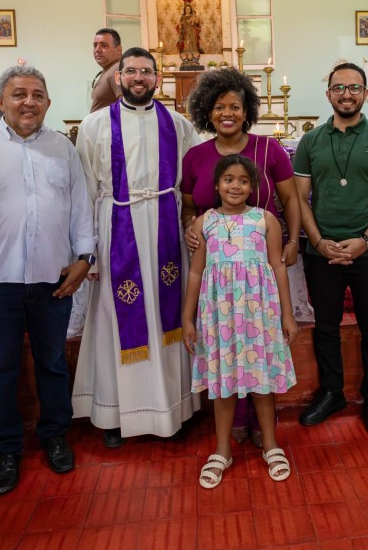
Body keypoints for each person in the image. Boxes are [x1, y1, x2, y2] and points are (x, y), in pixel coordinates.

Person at [0, 65, 96, 493]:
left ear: (48, 103)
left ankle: (54, 435)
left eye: (37, 95)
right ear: (0, 101)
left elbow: (80, 205)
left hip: (53, 276)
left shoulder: (63, 147)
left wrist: (84, 257)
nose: (29, 102)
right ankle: (6, 448)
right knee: (0, 367)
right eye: (19, 94)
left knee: (52, 363)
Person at [72, 47, 201, 447]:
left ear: (157, 78)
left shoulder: (178, 124)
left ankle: (172, 409)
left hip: (165, 230)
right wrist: (88, 253)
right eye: (131, 71)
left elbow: (192, 182)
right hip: (116, 229)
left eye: (146, 72)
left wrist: (192, 223)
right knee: (114, 319)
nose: (139, 78)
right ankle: (114, 413)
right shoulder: (94, 125)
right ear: (118, 78)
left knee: (167, 319)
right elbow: (84, 191)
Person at [180, 66, 300, 446]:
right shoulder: (195, 156)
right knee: (228, 343)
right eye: (219, 107)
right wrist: (190, 227)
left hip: (260, 264)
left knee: (257, 341)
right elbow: (188, 205)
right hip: (216, 266)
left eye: (234, 106)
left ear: (246, 110)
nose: (227, 113)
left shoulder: (269, 149)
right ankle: (235, 418)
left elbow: (290, 198)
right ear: (207, 111)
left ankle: (260, 421)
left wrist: (293, 240)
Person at [293, 62, 368, 435]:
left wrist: (367, 240)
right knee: (325, 326)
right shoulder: (310, 141)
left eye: (354, 88)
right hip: (322, 253)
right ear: (329, 94)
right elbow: (299, 199)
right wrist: (318, 241)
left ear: (365, 94)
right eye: (339, 88)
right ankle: (332, 392)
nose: (347, 94)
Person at [183, 154, 298, 488]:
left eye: (244, 181)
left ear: (253, 187)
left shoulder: (265, 220)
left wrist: (287, 314)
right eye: (229, 179)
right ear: (217, 184)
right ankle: (222, 450)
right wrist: (187, 318)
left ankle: (271, 445)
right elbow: (195, 272)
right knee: (223, 383)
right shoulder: (204, 222)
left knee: (261, 381)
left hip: (259, 315)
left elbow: (278, 267)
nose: (236, 186)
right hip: (219, 317)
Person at [90, 28, 122, 112]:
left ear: (118, 50)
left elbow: (127, 109)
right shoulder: (109, 69)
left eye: (104, 45)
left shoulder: (118, 69)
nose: (97, 50)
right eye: (95, 45)